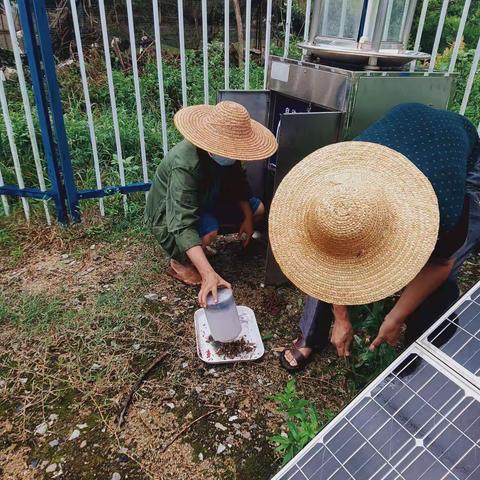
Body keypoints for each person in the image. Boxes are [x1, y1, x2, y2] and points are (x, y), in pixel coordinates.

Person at [267, 103, 480, 371]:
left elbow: (440, 264)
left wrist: (395, 318)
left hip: (455, 144)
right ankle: (312, 336)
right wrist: (340, 315)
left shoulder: (444, 208)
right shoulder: (331, 185)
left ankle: (417, 351)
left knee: (447, 271)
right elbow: (327, 259)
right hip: (404, 120)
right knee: (331, 243)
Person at [145, 100, 278, 307]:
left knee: (258, 209)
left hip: (208, 198)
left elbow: (238, 185)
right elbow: (182, 222)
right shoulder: (185, 164)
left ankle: (199, 249)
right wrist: (209, 275)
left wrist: (248, 218)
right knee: (207, 232)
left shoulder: (229, 156)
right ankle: (180, 261)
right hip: (171, 212)